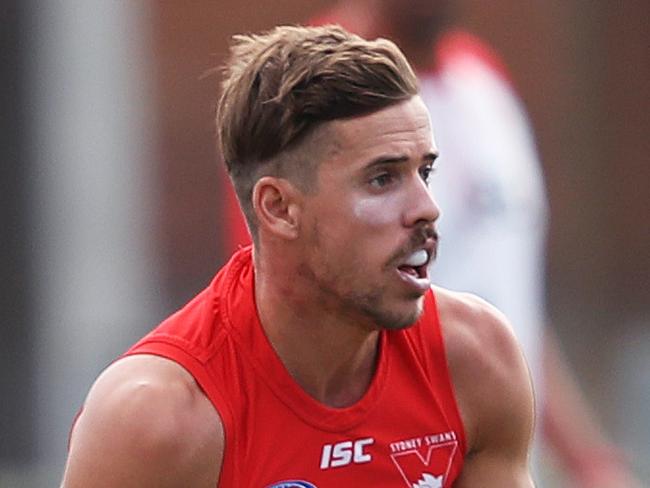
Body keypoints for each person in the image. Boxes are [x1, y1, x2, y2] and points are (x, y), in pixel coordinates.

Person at [60, 25, 536, 487]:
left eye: (424, 173)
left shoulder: (474, 360)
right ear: (279, 208)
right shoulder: (158, 421)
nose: (427, 209)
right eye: (382, 179)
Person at [301, 2, 638, 487]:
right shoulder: (317, 89)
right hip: (389, 455)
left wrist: (586, 459)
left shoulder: (482, 79)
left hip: (496, 450)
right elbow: (285, 297)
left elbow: (509, 296)